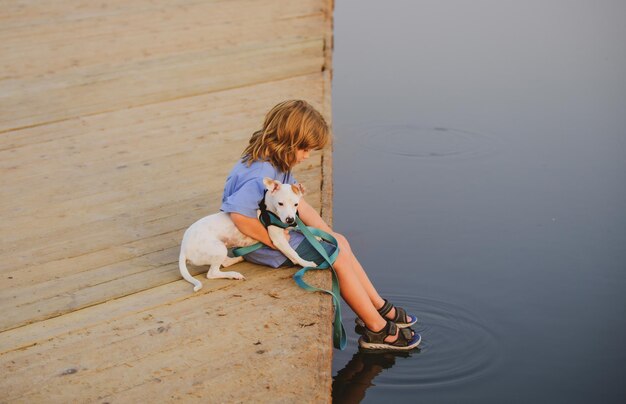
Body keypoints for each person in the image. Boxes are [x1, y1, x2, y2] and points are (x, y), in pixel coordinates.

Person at [220, 100, 420, 350]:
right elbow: (239, 217)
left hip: (272, 234)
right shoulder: (259, 174)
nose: (306, 157)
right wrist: (277, 243)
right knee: (336, 258)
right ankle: (377, 329)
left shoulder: (275, 161)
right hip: (258, 245)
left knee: (339, 242)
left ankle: (378, 306)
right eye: (305, 150)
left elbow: (300, 206)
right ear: (289, 142)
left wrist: (329, 233)